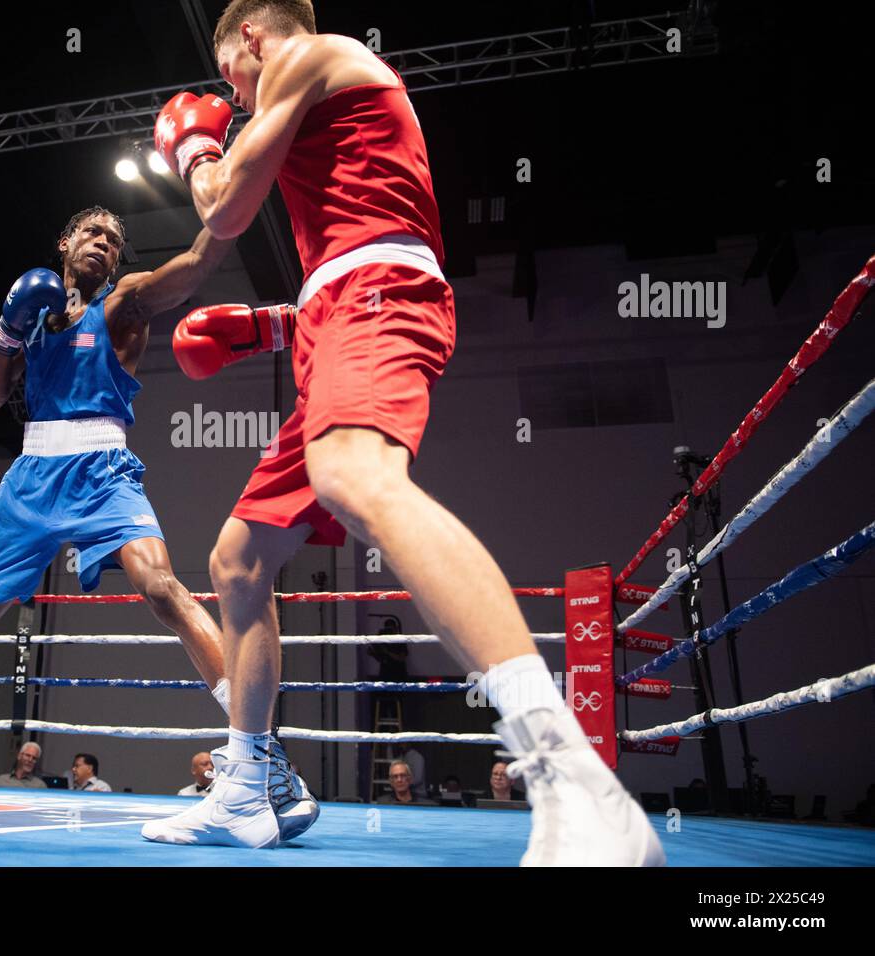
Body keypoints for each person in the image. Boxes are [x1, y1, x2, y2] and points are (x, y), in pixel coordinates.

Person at [141, 0, 664, 865]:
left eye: (229, 74)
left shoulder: (310, 54)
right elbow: (350, 238)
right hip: (341, 306)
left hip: (375, 298)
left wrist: (196, 149)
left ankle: (571, 777)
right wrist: (267, 327)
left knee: (355, 474)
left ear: (251, 38)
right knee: (238, 559)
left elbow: (229, 209)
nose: (230, 94)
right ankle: (246, 785)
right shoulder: (322, 101)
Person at [0, 205, 318, 840]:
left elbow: (191, 267)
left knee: (163, 589)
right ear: (65, 242)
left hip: (103, 467)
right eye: (93, 234)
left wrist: (229, 201)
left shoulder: (125, 304)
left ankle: (261, 754)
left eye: (114, 240)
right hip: (30, 477)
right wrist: (6, 334)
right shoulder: (37, 319)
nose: (104, 245)